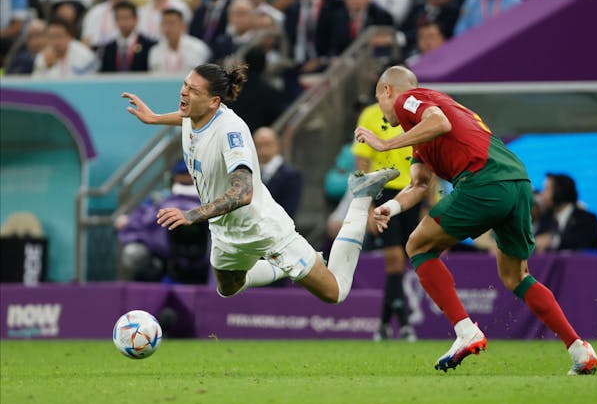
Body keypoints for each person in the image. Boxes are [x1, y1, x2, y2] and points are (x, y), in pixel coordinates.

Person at [354, 65, 597, 375]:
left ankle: (465, 331)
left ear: (387, 91)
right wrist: (390, 208)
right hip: (517, 182)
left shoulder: (410, 100)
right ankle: (579, 349)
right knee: (515, 276)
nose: (382, 110)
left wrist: (384, 144)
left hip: (483, 181)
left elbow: (438, 122)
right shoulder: (423, 132)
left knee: (417, 245)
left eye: (379, 99)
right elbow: (419, 185)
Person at [121, 62, 399, 306]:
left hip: (261, 226)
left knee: (334, 292)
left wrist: (191, 214)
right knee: (227, 288)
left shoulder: (231, 131)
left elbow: (243, 192)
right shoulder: (193, 115)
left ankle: (361, 197)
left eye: (193, 91)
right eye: (185, 85)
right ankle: (279, 269)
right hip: (224, 228)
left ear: (214, 102)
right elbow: (185, 119)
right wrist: (155, 118)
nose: (184, 92)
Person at [352, 103, 420, 342]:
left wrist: (430, 202)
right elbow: (362, 163)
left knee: (404, 260)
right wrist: (367, 203)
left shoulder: (416, 114)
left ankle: (383, 325)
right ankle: (404, 324)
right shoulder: (370, 114)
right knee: (394, 260)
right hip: (384, 191)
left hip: (414, 190)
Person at [116, 161, 209, 284]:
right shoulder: (216, 204)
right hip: (187, 268)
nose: (186, 176)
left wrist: (128, 223)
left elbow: (137, 226)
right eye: (183, 173)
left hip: (192, 266)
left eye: (188, 173)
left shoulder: (160, 203)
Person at [535, 173, 597, 253]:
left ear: (560, 191)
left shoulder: (586, 219)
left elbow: (581, 243)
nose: (542, 195)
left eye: (546, 189)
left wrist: (553, 241)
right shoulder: (545, 219)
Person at [253, 126, 303, 220]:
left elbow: (288, 211)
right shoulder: (251, 173)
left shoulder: (291, 175)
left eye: (267, 144)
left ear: (277, 144)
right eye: (259, 145)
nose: (263, 150)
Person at [148, 8, 211, 74]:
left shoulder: (198, 48)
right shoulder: (155, 51)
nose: (168, 28)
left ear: (182, 25)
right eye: (165, 23)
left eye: (171, 23)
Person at [100, 0, 155, 73]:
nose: (124, 22)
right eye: (120, 18)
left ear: (136, 19)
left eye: (127, 17)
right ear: (115, 21)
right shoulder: (108, 48)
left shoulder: (148, 46)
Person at [32, 18, 98, 78]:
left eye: (58, 36)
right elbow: (36, 83)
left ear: (69, 37)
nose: (55, 41)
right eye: (51, 37)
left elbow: (87, 83)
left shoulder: (84, 55)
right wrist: (48, 67)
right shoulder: (42, 56)